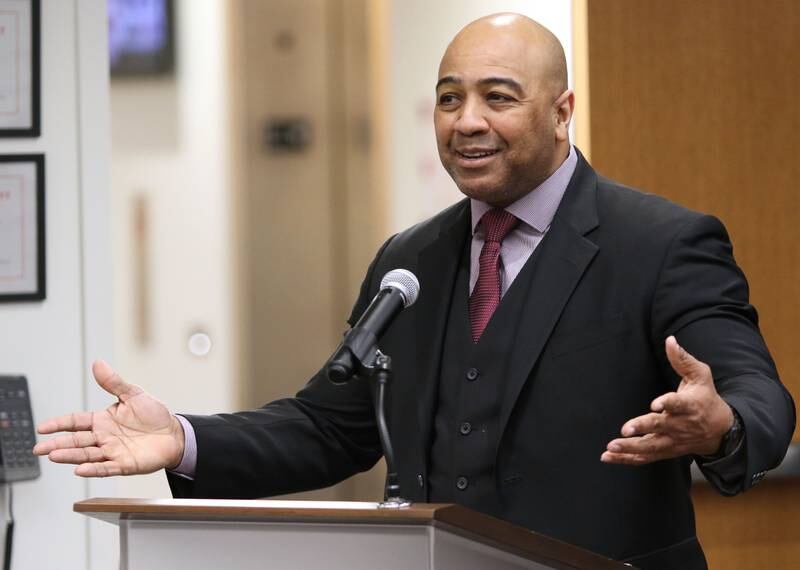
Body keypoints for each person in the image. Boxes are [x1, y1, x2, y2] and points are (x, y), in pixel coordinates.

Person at [34, 13, 794, 570]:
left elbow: (760, 397)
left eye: (498, 98)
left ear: (563, 113)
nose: (467, 122)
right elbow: (330, 428)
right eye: (448, 98)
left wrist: (722, 424)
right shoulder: (412, 260)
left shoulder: (661, 243)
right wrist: (186, 440)